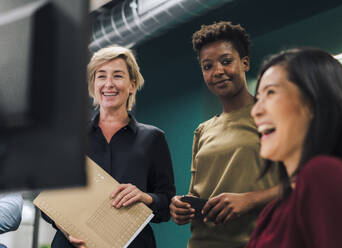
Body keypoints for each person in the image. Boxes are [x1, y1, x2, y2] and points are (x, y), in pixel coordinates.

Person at [44, 45, 176, 248]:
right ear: (93, 85)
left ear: (131, 85)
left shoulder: (153, 138)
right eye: (101, 76)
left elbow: (166, 206)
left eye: (117, 76)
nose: (109, 84)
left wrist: (145, 197)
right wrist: (67, 229)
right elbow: (48, 203)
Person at [246, 47, 342, 248]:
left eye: (270, 92)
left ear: (315, 103)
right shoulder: (275, 209)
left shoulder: (324, 174)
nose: (256, 111)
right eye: (258, 98)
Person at [169, 21, 280, 248]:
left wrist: (249, 200)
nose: (217, 71)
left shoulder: (274, 115)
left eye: (226, 61)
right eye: (207, 66)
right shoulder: (203, 131)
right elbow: (196, 194)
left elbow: (305, 182)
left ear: (245, 62)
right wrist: (180, 206)